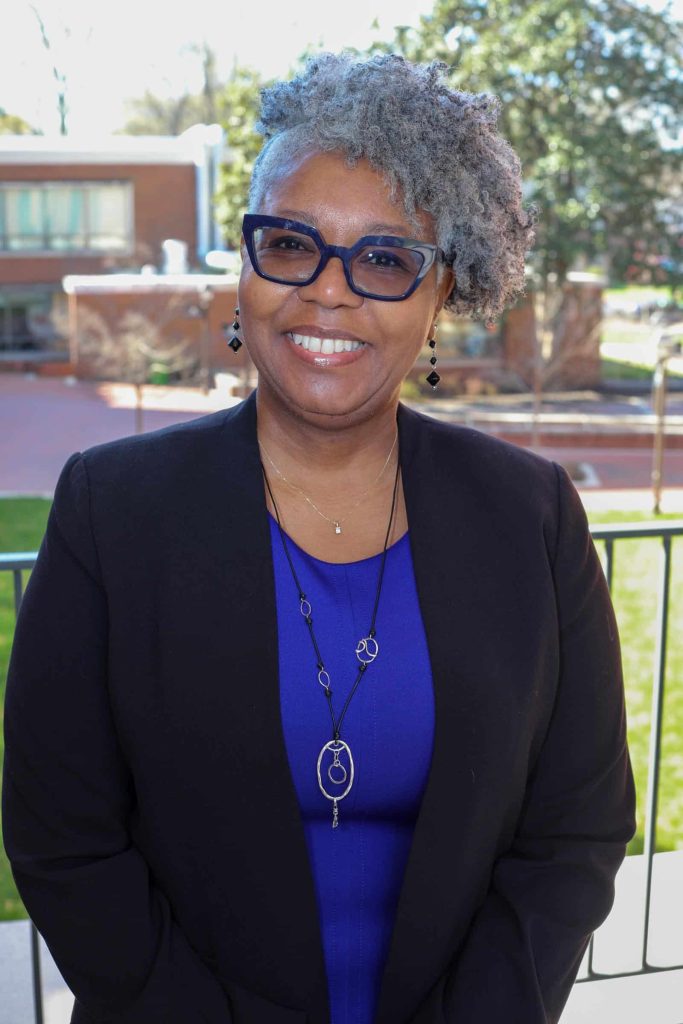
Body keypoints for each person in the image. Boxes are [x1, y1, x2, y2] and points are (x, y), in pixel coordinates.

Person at [2, 53, 635, 1024]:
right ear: (245, 268)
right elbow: (64, 836)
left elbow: (574, 830)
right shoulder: (110, 509)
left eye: (384, 258)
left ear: (440, 295)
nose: (328, 291)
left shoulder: (532, 514)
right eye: (291, 243)